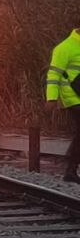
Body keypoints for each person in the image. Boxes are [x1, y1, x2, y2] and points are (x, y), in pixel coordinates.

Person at [46, 28, 80, 183]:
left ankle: (70, 170)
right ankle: (70, 170)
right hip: (72, 96)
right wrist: (51, 98)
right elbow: (53, 75)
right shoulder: (64, 48)